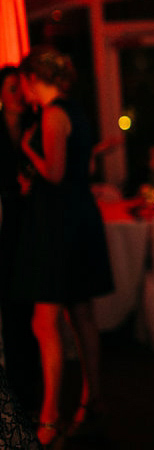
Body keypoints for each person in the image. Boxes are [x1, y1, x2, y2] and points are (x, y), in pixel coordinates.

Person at [11, 47, 114, 446]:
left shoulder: (53, 114)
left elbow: (53, 173)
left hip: (57, 225)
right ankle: (93, 400)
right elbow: (83, 167)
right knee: (81, 313)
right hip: (78, 216)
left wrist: (27, 150)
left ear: (34, 79)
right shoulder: (76, 111)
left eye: (23, 84)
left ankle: (50, 416)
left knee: (44, 321)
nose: (23, 93)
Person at [0, 66, 41, 413]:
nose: (17, 94)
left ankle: (33, 381)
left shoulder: (36, 125)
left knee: (31, 303)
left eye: (20, 87)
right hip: (5, 222)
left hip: (33, 221)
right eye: (11, 89)